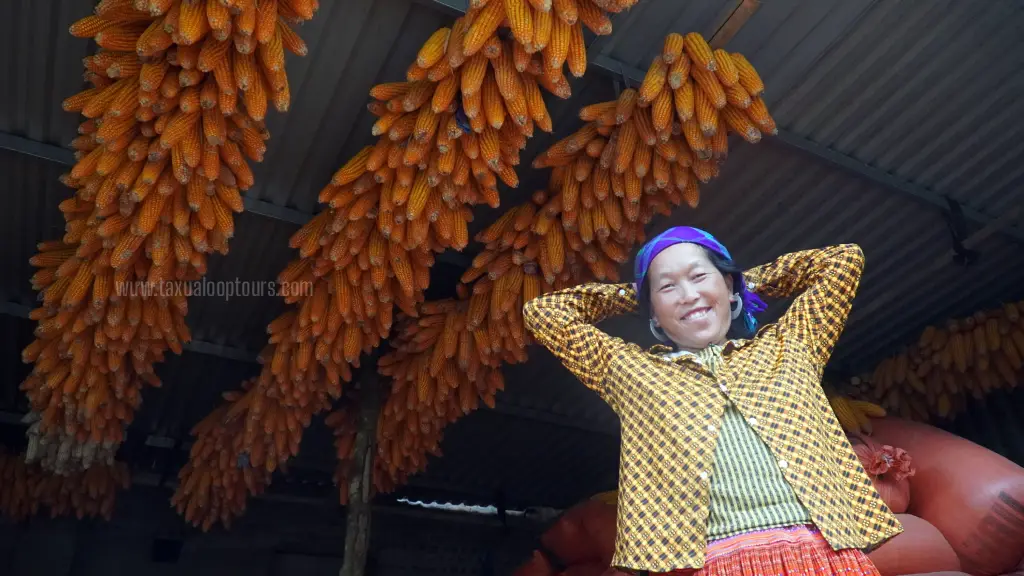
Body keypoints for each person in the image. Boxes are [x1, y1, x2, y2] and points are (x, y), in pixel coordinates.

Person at [522, 226, 903, 576]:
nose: (688, 295)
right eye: (667, 287)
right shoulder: (634, 373)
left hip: (826, 558)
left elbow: (843, 261)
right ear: (653, 312)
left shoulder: (790, 347)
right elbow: (545, 314)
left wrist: (737, 280)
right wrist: (639, 294)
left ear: (728, 285)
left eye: (699, 276)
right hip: (716, 565)